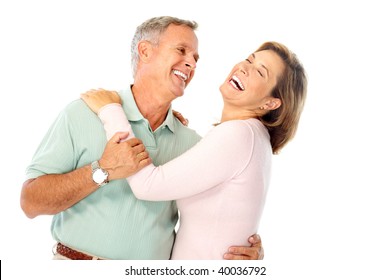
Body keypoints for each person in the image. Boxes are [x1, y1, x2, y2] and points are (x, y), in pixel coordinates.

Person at [21, 16, 263, 260]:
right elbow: (30, 203)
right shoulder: (82, 114)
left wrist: (248, 249)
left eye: (195, 58)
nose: (191, 63)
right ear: (145, 51)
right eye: (182, 50)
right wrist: (102, 170)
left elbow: (215, 215)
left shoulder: (193, 144)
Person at [81, 41, 307, 259]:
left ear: (270, 103)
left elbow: (147, 186)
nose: (245, 68)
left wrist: (110, 111)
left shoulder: (240, 135)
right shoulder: (253, 137)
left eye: (260, 72)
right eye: (249, 59)